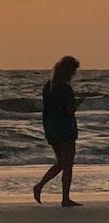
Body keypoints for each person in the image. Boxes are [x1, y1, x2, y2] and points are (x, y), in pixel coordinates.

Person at [33, 55, 83, 207]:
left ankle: (40, 185)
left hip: (51, 127)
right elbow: (69, 110)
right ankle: (65, 198)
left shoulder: (48, 86)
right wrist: (77, 104)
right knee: (68, 164)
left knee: (61, 162)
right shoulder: (65, 88)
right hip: (65, 127)